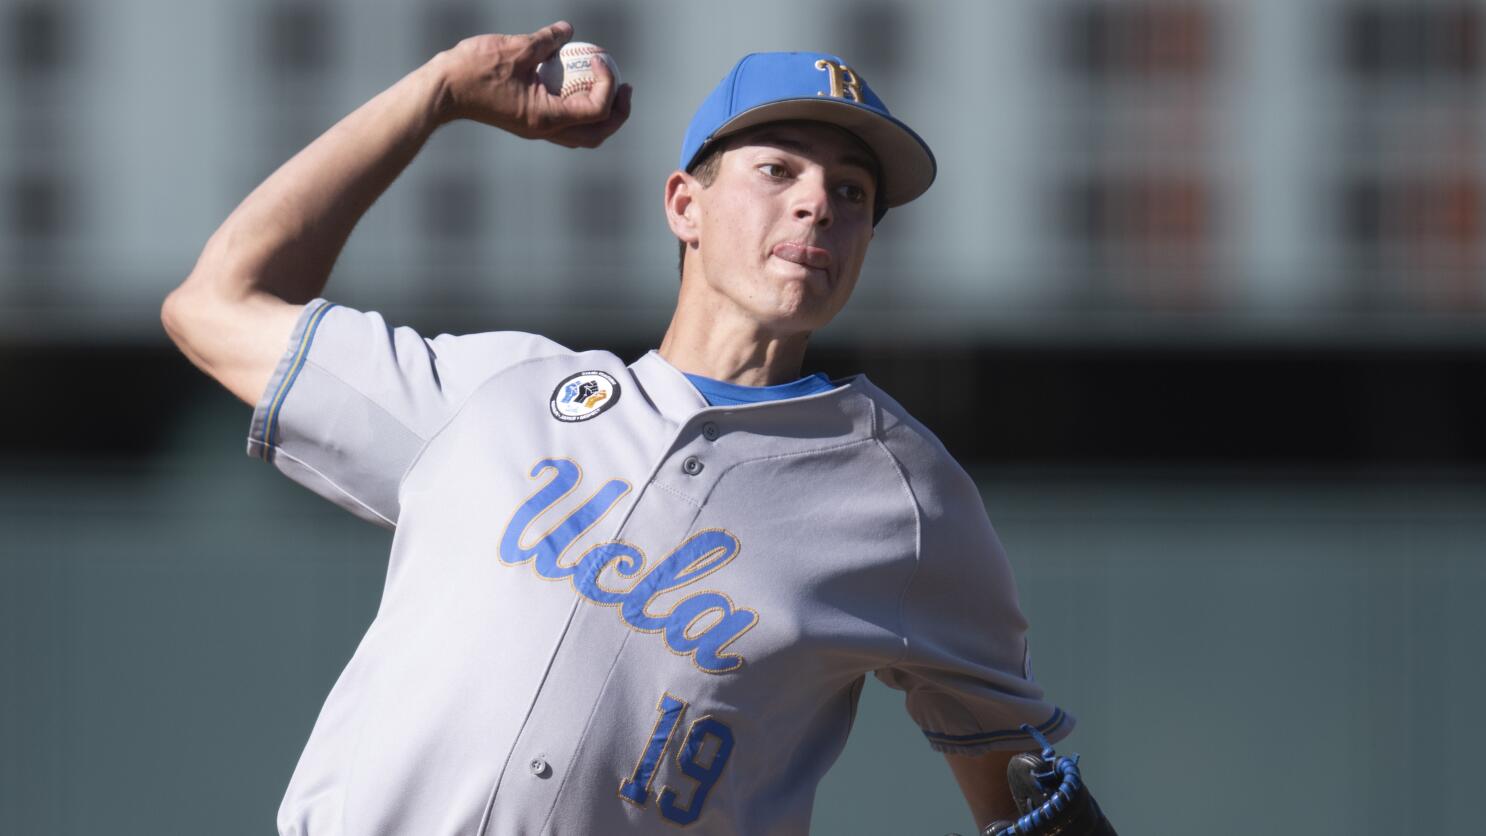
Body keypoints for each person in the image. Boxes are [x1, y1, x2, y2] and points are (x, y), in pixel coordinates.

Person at [162, 21, 1073, 835]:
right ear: (685, 205)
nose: (818, 204)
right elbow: (214, 306)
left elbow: (1021, 786)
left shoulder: (903, 495)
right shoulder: (499, 396)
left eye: (853, 193)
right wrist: (436, 94)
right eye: (778, 169)